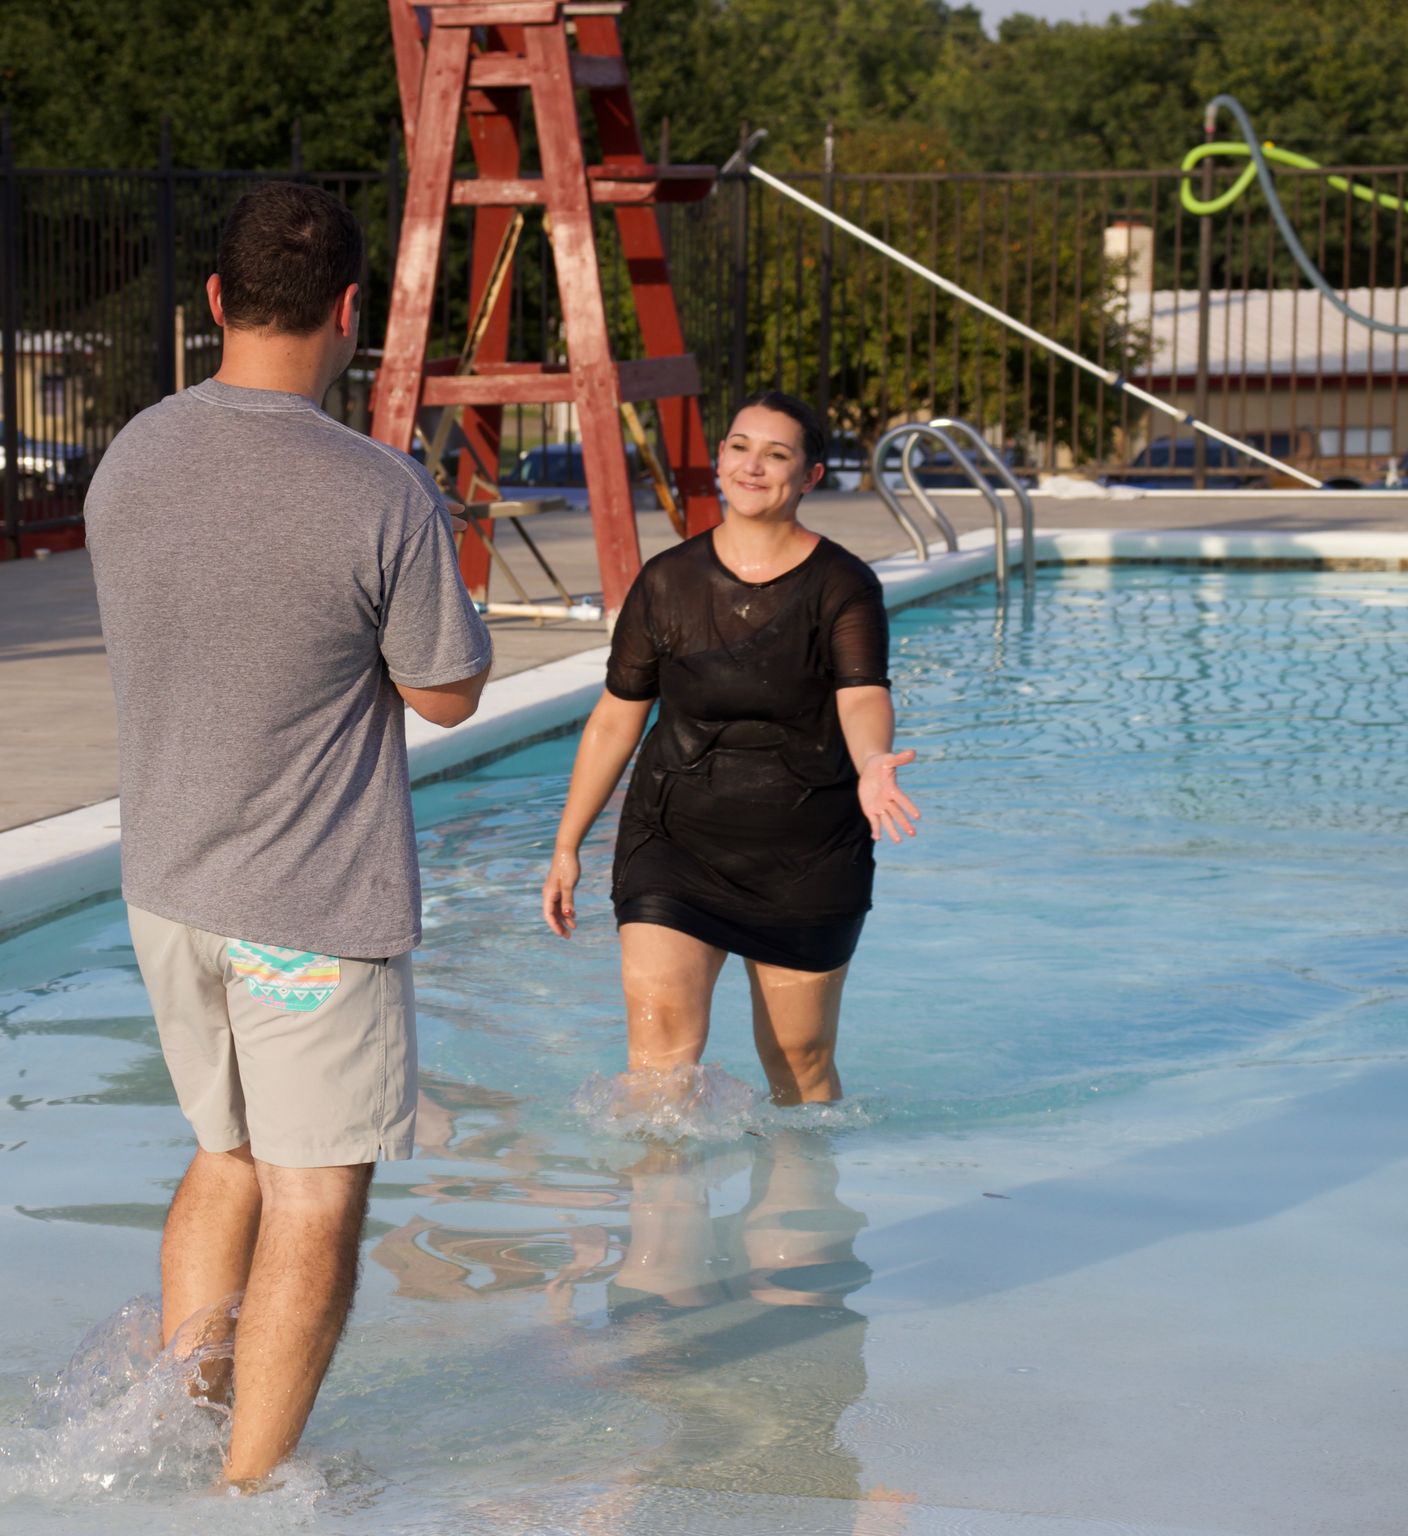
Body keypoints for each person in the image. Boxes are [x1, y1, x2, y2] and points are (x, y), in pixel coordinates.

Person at [83, 180, 492, 1488]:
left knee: (228, 1156)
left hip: (168, 887)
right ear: (350, 312)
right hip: (307, 912)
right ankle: (248, 1494)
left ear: (213, 300)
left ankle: (184, 1418)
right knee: (316, 1194)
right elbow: (445, 690)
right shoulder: (377, 491)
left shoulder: (134, 452)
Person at [540, 390, 919, 1105]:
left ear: (808, 478)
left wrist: (874, 761)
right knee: (657, 1063)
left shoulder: (843, 585)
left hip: (805, 850)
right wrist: (568, 845)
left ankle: (798, 1210)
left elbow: (862, 692)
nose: (752, 466)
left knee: (799, 1064)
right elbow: (617, 718)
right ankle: (661, 1206)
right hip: (674, 840)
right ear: (719, 460)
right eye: (739, 446)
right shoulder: (666, 581)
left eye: (777, 455)